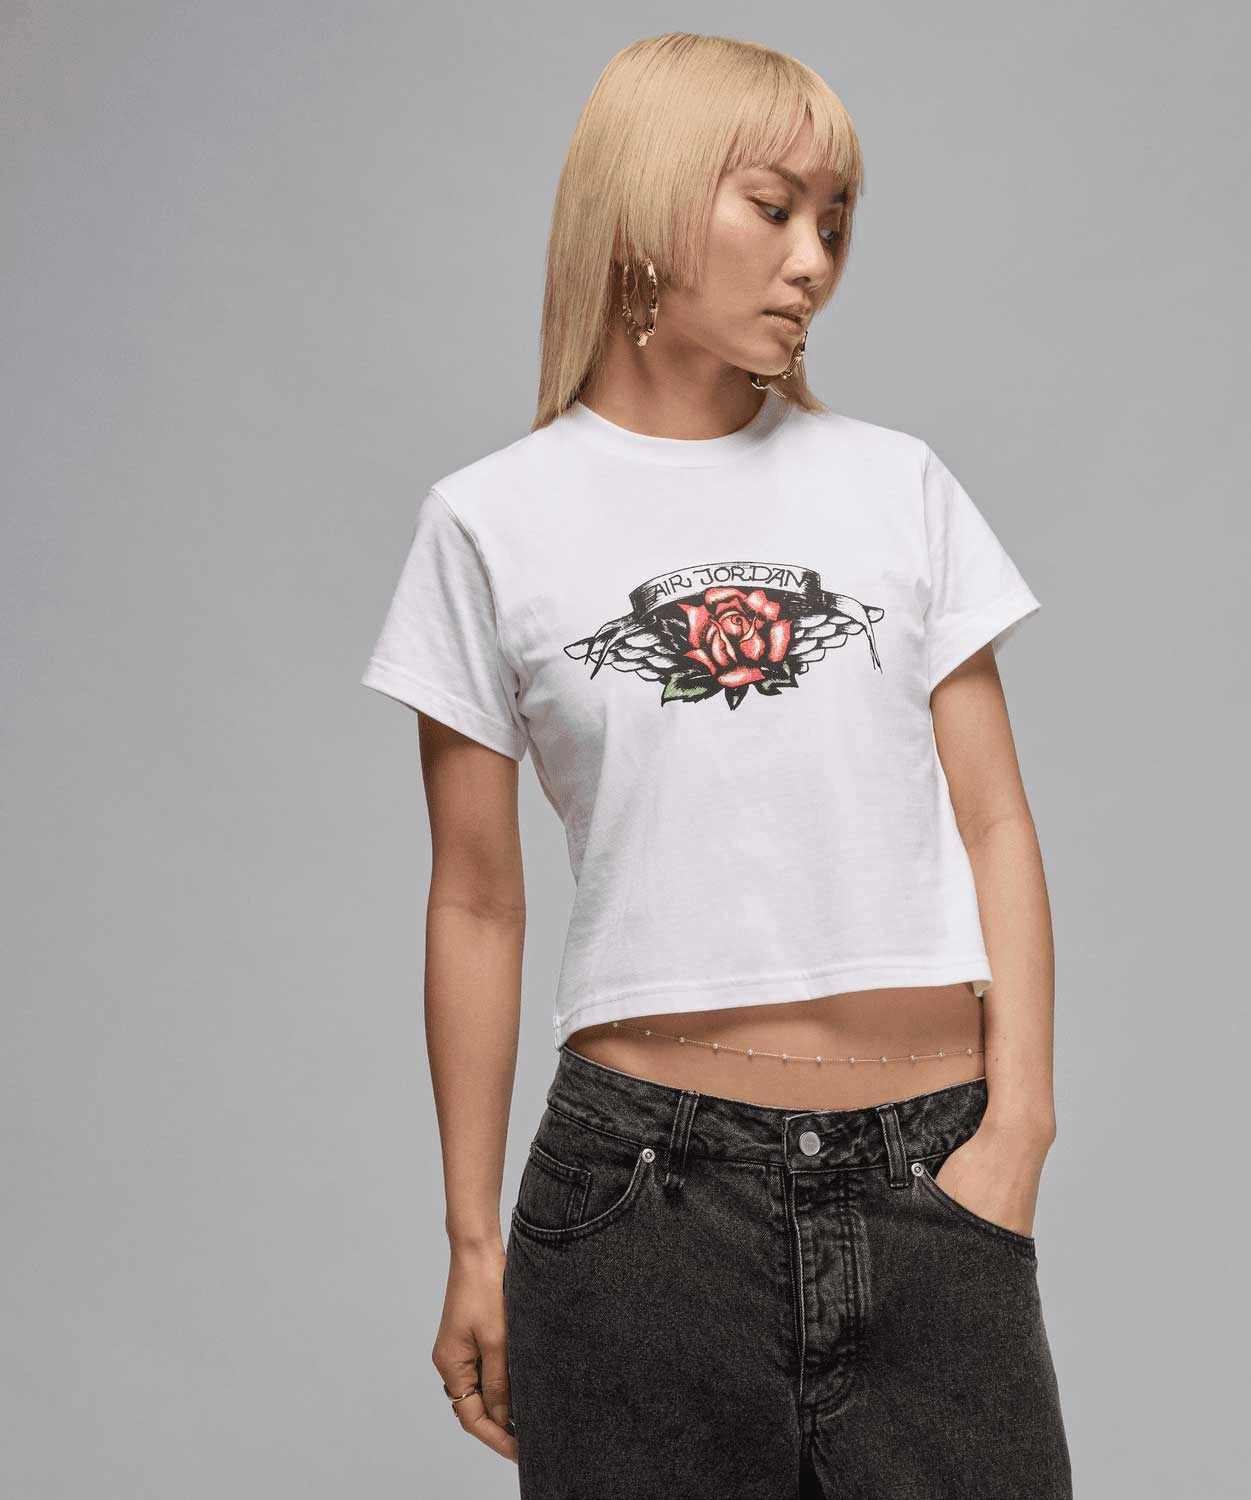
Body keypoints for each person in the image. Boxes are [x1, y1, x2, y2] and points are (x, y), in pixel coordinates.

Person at [359, 31, 1072, 1499]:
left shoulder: (897, 487)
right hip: (640, 1211)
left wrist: (1019, 1130)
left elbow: (996, 822)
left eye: (837, 223)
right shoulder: (490, 523)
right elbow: (476, 904)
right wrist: (473, 1242)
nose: (814, 260)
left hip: (932, 1178)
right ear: (644, 204)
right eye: (774, 208)